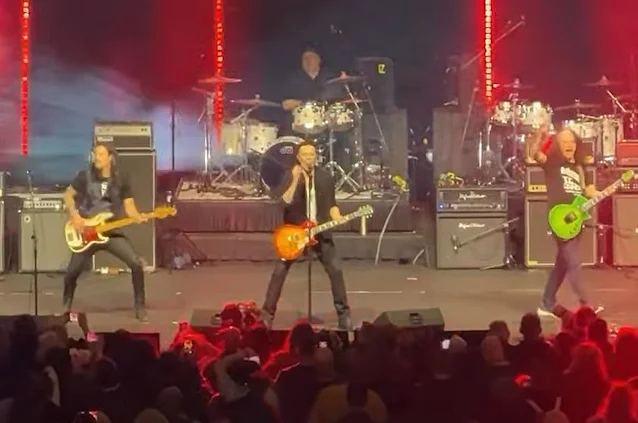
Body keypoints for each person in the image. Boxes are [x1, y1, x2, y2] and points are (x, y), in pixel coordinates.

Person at [261, 140, 352, 330]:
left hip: (319, 231)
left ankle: (344, 315)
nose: (309, 158)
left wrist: (337, 216)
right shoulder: (289, 175)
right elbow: (285, 202)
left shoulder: (325, 177)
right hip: (295, 232)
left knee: (336, 270)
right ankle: (267, 315)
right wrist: (295, 179)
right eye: (305, 155)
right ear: (298, 157)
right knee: (279, 271)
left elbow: (332, 205)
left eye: (312, 155)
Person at [62, 143, 149, 321]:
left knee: (135, 264)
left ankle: (140, 307)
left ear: (110, 158)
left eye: (101, 154)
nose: (96, 158)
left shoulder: (121, 179)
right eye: (95, 154)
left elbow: (129, 206)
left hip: (111, 231)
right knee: (71, 272)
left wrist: (138, 216)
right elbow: (68, 195)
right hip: (87, 231)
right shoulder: (84, 176)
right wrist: (75, 215)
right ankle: (66, 306)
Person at [527, 126, 603, 317]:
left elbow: (588, 190)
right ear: (557, 145)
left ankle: (546, 303)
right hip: (559, 219)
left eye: (572, 141)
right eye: (564, 142)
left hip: (576, 219)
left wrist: (598, 193)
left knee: (562, 265)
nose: (569, 145)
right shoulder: (552, 163)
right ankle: (586, 305)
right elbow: (534, 154)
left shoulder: (580, 168)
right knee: (574, 263)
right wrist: (540, 135)